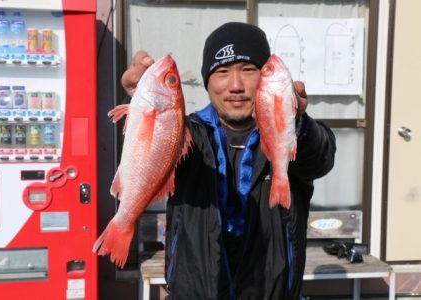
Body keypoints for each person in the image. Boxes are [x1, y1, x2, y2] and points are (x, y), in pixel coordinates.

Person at [121, 22, 336, 300]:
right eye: (222, 71)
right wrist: (142, 102)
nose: (236, 85)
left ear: (266, 78)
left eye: (248, 70)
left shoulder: (288, 136)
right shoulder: (183, 135)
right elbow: (143, 154)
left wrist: (296, 122)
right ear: (207, 81)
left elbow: (321, 157)